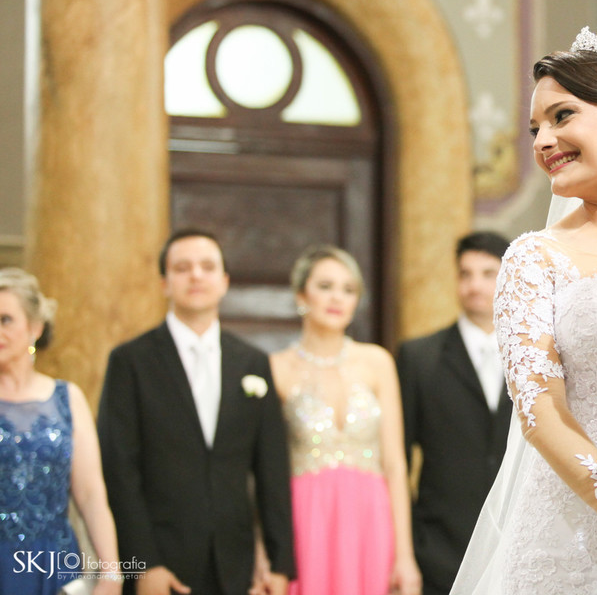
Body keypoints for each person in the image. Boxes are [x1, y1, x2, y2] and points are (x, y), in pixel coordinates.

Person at [449, 26, 597, 595]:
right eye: (535, 127)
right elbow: (540, 412)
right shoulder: (536, 259)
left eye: (562, 116)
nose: (542, 141)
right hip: (572, 541)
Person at [98, 229, 295, 595]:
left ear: (224, 281)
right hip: (161, 561)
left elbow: (272, 469)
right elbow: (119, 468)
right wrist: (143, 564)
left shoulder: (252, 362)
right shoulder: (131, 361)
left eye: (207, 267)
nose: (196, 275)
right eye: (182, 267)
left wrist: (280, 564)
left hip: (236, 565)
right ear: (164, 283)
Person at [269, 245, 421, 595]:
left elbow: (396, 466)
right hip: (304, 519)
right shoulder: (276, 369)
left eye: (348, 289)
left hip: (371, 518)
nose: (337, 297)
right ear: (300, 295)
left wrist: (405, 556)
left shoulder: (377, 363)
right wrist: (267, 552)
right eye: (325, 286)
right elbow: (263, 473)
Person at [397, 231, 513, 595]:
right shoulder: (418, 358)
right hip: (439, 548)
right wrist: (410, 547)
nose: (474, 285)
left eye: (487, 273)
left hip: (513, 541)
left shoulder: (534, 355)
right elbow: (397, 458)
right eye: (465, 274)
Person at [0, 268, 122, 595]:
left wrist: (111, 575)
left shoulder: (67, 398)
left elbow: (91, 495)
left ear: (35, 328)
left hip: (53, 566)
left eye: (5, 320)